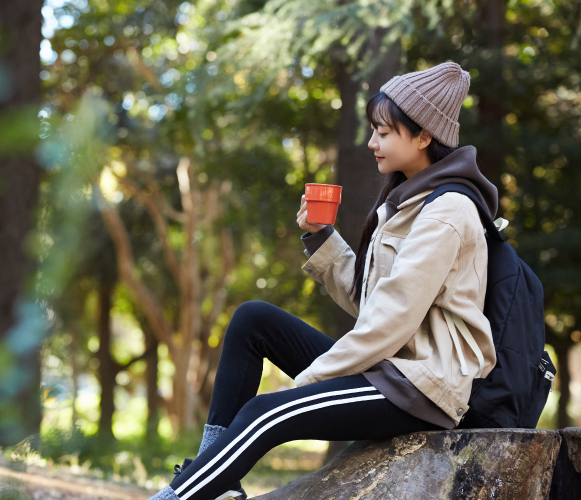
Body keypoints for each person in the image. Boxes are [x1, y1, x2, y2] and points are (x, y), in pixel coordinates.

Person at [148, 61, 498, 500]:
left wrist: (308, 383)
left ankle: (180, 494)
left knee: (265, 414)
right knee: (252, 320)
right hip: (389, 367)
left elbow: (391, 319)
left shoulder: (447, 211)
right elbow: (374, 302)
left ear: (425, 136)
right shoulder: (409, 199)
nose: (372, 142)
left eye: (384, 132)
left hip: (418, 387)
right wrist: (321, 239)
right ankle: (219, 481)